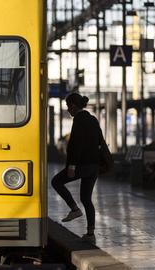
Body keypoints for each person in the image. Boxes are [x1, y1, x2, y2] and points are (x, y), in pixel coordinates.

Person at [52, 93, 100, 242]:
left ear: (73, 105)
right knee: (86, 198)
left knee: (56, 182)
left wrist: (72, 165)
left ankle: (74, 209)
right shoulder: (92, 119)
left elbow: (76, 145)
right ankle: (90, 235)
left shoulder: (79, 120)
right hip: (94, 164)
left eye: (67, 106)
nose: (68, 110)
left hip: (82, 164)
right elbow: (100, 141)